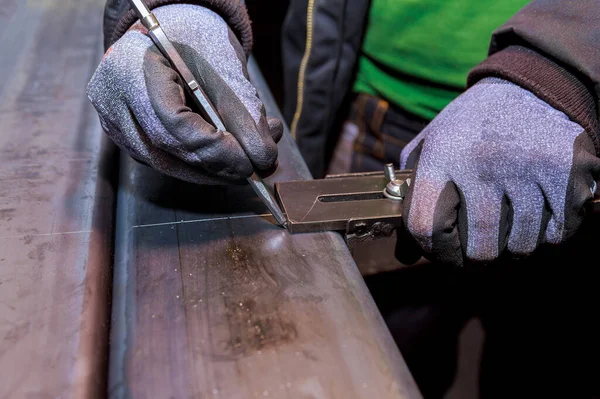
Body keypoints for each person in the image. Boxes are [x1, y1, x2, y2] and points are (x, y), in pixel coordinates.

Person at [88, 1, 600, 397]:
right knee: (371, 366)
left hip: (569, 135)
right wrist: (179, 8)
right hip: (377, 116)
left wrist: (567, 66)